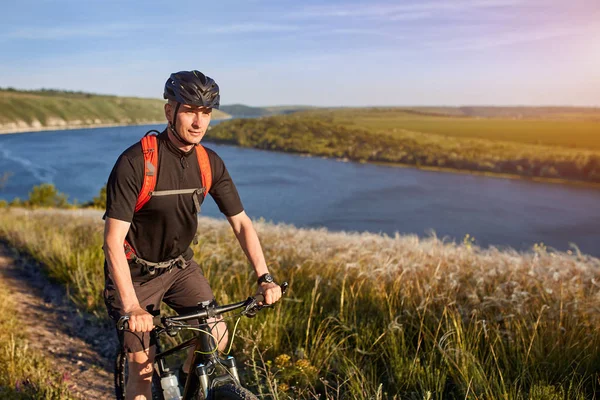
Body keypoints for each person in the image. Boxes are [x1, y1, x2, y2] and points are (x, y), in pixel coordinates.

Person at [103, 70, 282, 399]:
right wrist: (131, 306)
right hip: (135, 275)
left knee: (216, 335)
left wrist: (264, 277)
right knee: (142, 373)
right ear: (169, 111)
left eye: (206, 113)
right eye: (189, 110)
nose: (198, 122)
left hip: (179, 267)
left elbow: (241, 222)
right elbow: (113, 240)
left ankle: (189, 386)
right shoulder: (136, 163)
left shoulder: (208, 162)